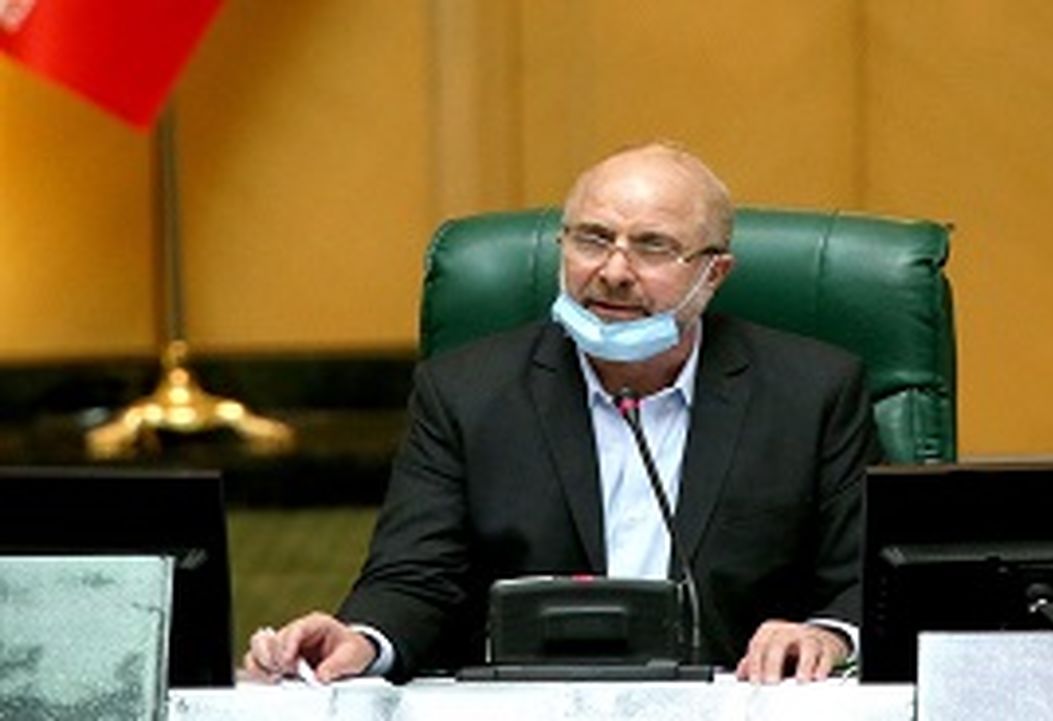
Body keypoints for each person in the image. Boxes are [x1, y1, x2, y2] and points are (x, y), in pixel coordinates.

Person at [243, 142, 881, 685]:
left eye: (653, 247)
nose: (614, 271)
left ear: (714, 274)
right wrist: (363, 639)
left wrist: (827, 635)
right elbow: (415, 579)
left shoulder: (811, 393)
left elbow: (863, 578)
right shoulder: (466, 392)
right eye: (592, 239)